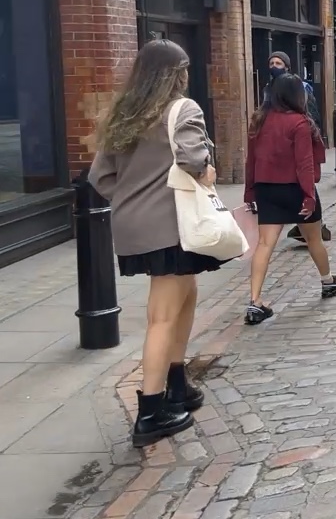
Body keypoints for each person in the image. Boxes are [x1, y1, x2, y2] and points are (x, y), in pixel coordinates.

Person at [89, 39, 221, 447]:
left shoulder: (123, 114)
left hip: (135, 226)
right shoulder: (183, 109)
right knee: (162, 316)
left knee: (186, 294)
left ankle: (178, 384)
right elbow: (194, 161)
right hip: (171, 225)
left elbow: (99, 177)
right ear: (176, 74)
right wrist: (208, 174)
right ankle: (150, 412)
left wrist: (132, 201)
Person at [243, 73, 336, 325]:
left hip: (266, 188)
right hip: (295, 189)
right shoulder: (299, 123)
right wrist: (309, 196)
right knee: (313, 238)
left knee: (264, 244)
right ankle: (327, 281)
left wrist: (249, 191)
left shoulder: (259, 121)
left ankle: (255, 301)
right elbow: (304, 164)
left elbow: (251, 160)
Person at [262, 52, 333, 245]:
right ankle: (307, 226)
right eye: (271, 63)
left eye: (278, 63)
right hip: (278, 145)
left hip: (298, 139)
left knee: (304, 181)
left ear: (287, 67)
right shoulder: (268, 89)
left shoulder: (300, 87)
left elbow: (312, 115)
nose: (274, 66)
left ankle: (313, 225)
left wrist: (311, 136)